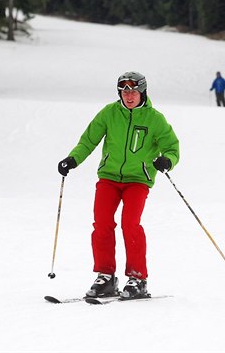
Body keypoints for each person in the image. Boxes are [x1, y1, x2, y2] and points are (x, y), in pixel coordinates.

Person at [57, 71, 180, 299]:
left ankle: (137, 279)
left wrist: (167, 161)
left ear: (142, 92)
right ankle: (105, 278)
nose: (129, 96)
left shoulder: (154, 119)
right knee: (102, 223)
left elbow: (172, 147)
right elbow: (88, 140)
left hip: (138, 180)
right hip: (109, 178)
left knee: (130, 224)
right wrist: (72, 159)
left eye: (133, 91)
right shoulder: (109, 113)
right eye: (124, 92)